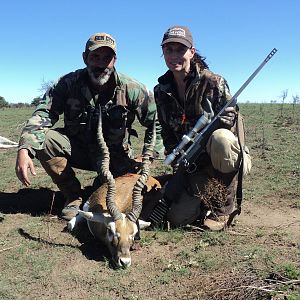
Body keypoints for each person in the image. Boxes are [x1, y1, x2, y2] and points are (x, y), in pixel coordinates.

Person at [15, 32, 164, 221]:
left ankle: (99, 186)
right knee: (46, 139)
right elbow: (43, 114)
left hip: (115, 157)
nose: (101, 63)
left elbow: (155, 124)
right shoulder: (67, 83)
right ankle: (73, 196)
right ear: (85, 57)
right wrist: (24, 149)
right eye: (95, 56)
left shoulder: (133, 89)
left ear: (114, 60)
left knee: (125, 190)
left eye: (107, 58)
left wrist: (149, 156)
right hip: (78, 150)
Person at [150, 25, 252, 230]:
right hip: (192, 163)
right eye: (168, 50)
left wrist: (225, 121)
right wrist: (176, 158)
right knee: (175, 219)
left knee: (222, 138)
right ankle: (204, 202)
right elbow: (166, 131)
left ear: (191, 52)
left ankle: (224, 210)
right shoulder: (161, 91)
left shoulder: (214, 82)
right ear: (163, 52)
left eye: (180, 49)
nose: (174, 55)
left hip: (225, 158)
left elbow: (233, 130)